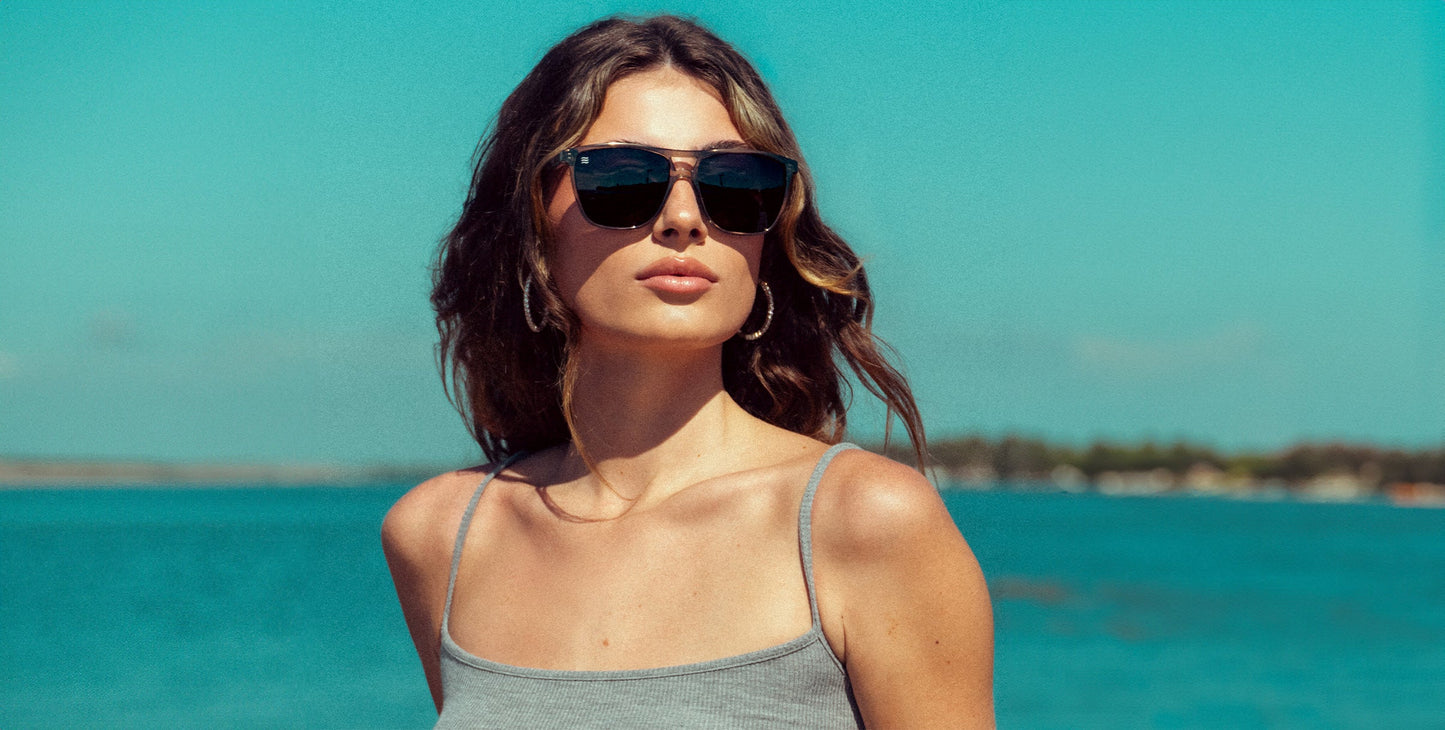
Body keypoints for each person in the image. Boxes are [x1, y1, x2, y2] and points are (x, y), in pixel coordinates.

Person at [382, 14, 993, 729]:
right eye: (619, 177)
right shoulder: (442, 535)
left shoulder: (864, 520)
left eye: (736, 184)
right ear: (530, 225)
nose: (683, 217)